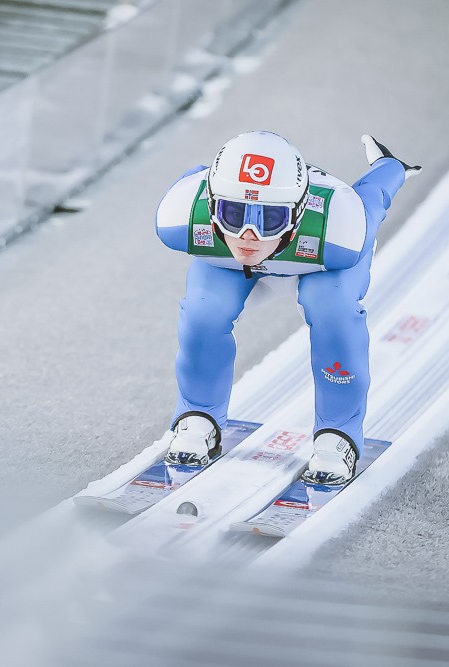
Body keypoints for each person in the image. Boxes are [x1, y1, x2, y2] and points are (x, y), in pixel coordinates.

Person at [155, 130, 420, 485]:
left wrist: (390, 167)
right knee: (203, 312)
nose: (249, 235)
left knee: (334, 313)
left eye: (270, 219)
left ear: (297, 214)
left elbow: (374, 196)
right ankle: (198, 413)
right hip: (236, 264)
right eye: (233, 214)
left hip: (319, 266)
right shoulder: (181, 211)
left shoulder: (341, 228)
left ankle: (337, 433)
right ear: (211, 204)